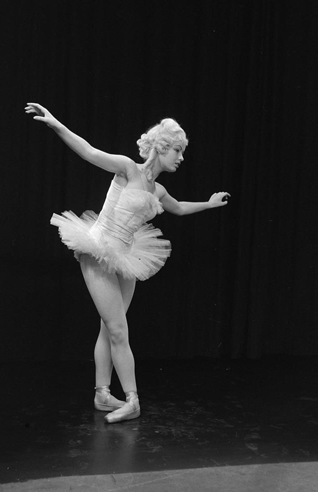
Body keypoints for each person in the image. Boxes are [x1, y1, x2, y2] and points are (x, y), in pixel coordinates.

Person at [25, 103, 230, 423]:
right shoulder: (128, 168)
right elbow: (89, 152)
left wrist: (209, 203)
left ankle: (102, 393)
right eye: (177, 150)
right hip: (99, 248)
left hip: (126, 257)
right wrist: (55, 124)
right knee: (118, 329)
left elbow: (179, 208)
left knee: (109, 328)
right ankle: (132, 400)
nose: (181, 157)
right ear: (161, 147)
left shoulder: (158, 190)